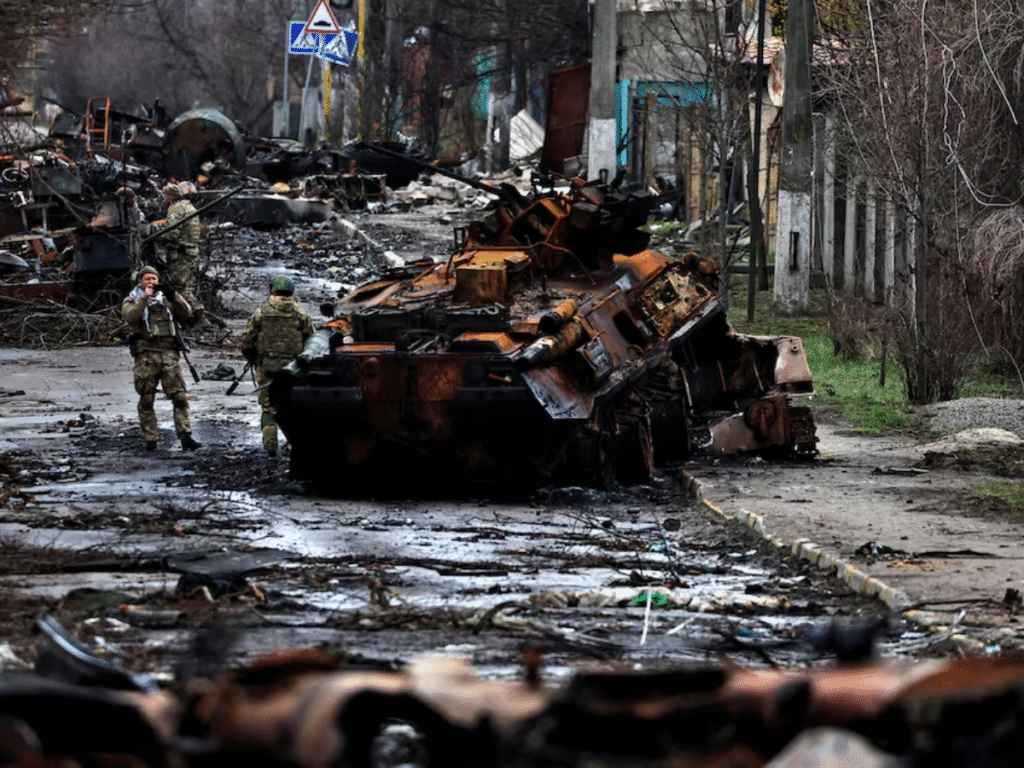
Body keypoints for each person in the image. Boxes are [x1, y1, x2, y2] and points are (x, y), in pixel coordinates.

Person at [121, 266, 201, 452]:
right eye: (147, 279)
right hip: (146, 355)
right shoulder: (132, 298)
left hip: (169, 354)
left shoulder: (166, 299)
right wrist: (144, 299)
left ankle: (185, 435)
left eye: (154, 279)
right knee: (147, 398)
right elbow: (129, 316)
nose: (151, 282)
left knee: (179, 396)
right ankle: (150, 438)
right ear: (140, 281)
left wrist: (175, 296)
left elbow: (187, 313)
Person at [240, 276, 314, 457]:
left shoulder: (261, 313)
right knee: (293, 407)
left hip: (267, 367)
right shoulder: (301, 314)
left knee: (268, 407)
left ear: (272, 290)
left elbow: (246, 340)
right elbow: (312, 341)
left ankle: (270, 447)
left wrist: (253, 358)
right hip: (293, 369)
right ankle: (296, 446)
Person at [159, 183, 205, 326]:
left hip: (181, 253)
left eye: (166, 195)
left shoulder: (176, 208)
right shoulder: (190, 207)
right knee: (187, 287)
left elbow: (173, 233)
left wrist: (158, 235)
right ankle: (191, 317)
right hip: (191, 252)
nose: (164, 198)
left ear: (171, 196)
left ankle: (198, 317)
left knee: (179, 288)